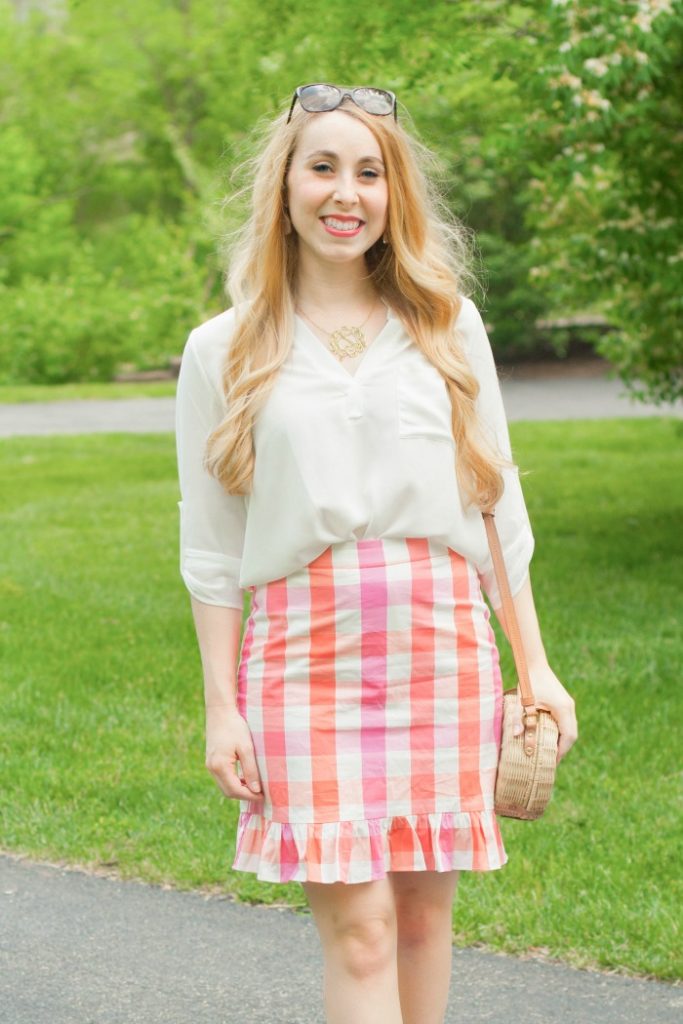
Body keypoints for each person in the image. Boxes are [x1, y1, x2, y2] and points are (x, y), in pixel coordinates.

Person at [175, 82, 578, 1024]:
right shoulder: (221, 349)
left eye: (368, 173)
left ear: (394, 196)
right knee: (358, 931)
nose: (343, 193)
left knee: (422, 924)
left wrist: (538, 666)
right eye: (322, 168)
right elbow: (209, 546)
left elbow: (496, 507)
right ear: (284, 188)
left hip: (441, 648)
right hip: (302, 660)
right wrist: (220, 708)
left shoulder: (447, 327)